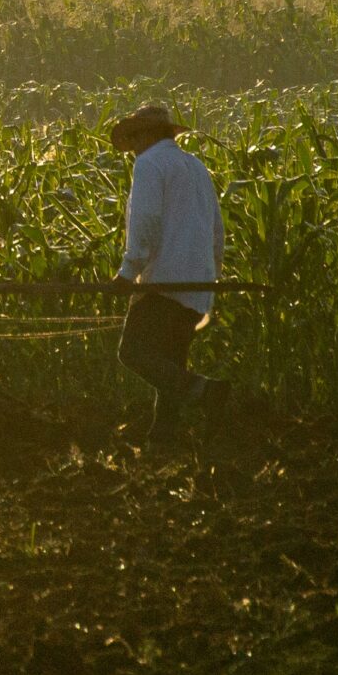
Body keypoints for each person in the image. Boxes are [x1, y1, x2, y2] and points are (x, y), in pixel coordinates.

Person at [108, 103, 230, 443]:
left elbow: (145, 223)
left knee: (133, 352)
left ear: (148, 134)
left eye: (135, 136)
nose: (133, 145)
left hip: (164, 281)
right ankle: (163, 437)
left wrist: (128, 273)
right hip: (196, 283)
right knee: (171, 359)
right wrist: (211, 276)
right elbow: (217, 229)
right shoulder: (196, 167)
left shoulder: (150, 165)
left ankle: (206, 391)